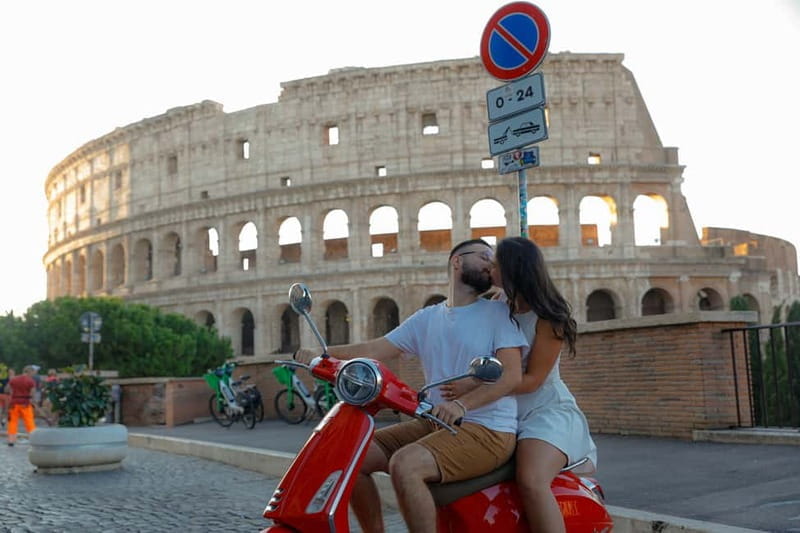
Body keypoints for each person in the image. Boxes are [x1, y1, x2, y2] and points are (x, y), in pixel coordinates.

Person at [295, 238, 529, 533]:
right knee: (353, 456)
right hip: (435, 423)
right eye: (483, 256)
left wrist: (460, 404)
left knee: (406, 464)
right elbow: (375, 348)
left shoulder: (498, 314)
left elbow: (511, 376)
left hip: (489, 430)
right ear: (457, 261)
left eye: (492, 259)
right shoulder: (428, 318)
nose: (489, 264)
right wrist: (322, 355)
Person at [443, 236, 597, 533]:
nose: (489, 267)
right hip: (502, 412)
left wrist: (471, 390)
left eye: (495, 262)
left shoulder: (549, 319)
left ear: (513, 270)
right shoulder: (498, 305)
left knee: (531, 480)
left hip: (545, 413)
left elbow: (531, 381)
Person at [7, 365, 37, 446]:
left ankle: (11, 441)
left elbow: (7, 389)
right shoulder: (30, 381)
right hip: (25, 403)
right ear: (29, 372)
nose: (33, 374)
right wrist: (33, 400)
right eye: (33, 373)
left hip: (14, 403)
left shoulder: (14, 379)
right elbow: (33, 392)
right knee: (29, 421)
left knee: (12, 422)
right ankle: (33, 440)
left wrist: (12, 394)